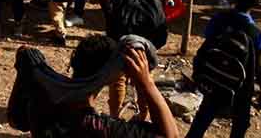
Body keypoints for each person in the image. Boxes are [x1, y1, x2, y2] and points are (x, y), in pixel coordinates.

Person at [45, 34, 179, 138]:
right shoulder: (101, 128)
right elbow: (171, 135)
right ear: (109, 76)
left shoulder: (47, 102)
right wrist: (147, 83)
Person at [186, 0, 261, 138]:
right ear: (257, 2)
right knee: (240, 123)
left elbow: (207, 45)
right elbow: (258, 67)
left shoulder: (219, 19)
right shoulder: (259, 34)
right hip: (241, 87)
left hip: (214, 78)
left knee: (204, 116)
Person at [101, 0, 171, 120]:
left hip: (120, 33)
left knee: (118, 77)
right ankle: (142, 116)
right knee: (144, 78)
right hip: (148, 37)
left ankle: (115, 117)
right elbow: (165, 2)